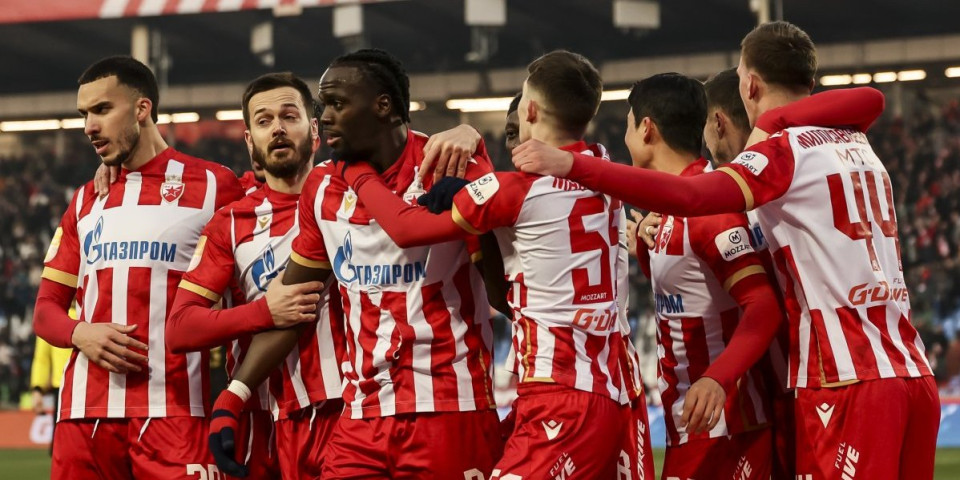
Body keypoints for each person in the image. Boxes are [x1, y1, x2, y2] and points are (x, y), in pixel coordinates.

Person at [513, 21, 937, 480]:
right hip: (910, 370)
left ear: (750, 85)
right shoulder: (855, 138)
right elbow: (872, 99)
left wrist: (572, 164)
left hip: (845, 377)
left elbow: (694, 199)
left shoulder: (781, 152)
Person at [340, 49, 636, 479]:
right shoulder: (603, 165)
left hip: (561, 392)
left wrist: (356, 174)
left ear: (530, 110)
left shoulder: (512, 192)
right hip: (606, 386)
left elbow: (404, 228)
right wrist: (472, 144)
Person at [208, 49, 503, 479]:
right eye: (323, 105)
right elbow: (295, 304)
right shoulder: (323, 186)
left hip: (450, 406)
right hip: (362, 417)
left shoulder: (451, 164)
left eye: (337, 104)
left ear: (383, 106)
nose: (325, 117)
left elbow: (503, 294)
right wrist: (233, 395)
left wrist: (482, 217)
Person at [33, 55, 243, 480]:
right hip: (84, 417)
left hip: (178, 411)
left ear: (142, 108)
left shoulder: (215, 186)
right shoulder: (85, 200)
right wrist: (80, 332)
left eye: (102, 109)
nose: (89, 125)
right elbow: (45, 311)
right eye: (84, 114)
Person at [166, 72, 344, 479]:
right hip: (268, 421)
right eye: (264, 121)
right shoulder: (231, 222)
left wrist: (463, 134)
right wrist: (265, 312)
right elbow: (180, 328)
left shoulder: (353, 194)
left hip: (357, 409)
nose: (277, 128)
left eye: (289, 116)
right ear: (250, 142)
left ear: (314, 131)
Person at [624, 72, 784, 479]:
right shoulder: (669, 210)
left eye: (628, 125)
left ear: (646, 129)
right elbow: (690, 286)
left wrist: (717, 379)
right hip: (692, 426)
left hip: (728, 428)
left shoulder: (707, 209)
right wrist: (643, 247)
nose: (625, 138)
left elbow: (763, 305)